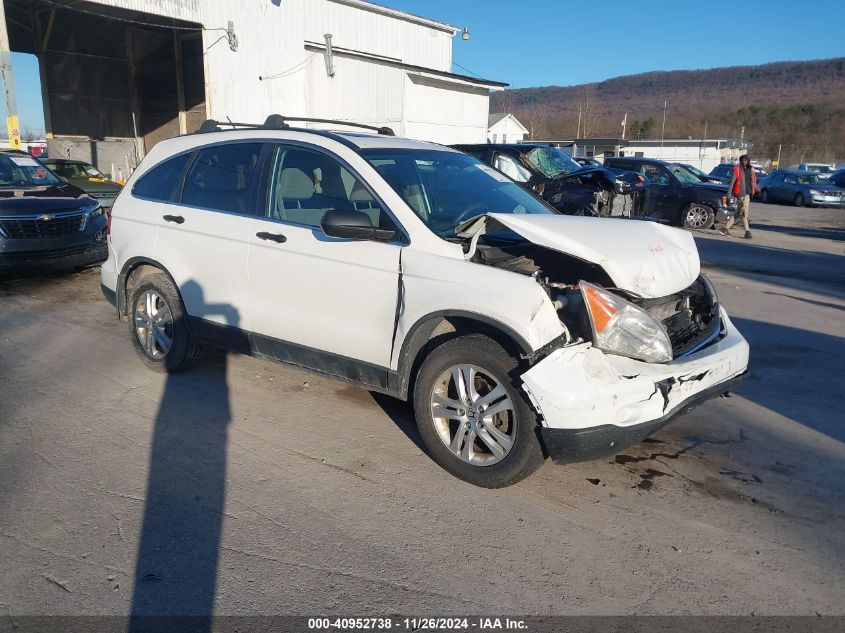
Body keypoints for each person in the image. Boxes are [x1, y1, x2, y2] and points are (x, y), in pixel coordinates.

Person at [720, 154, 755, 239]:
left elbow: (752, 181)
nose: (744, 162)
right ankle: (747, 231)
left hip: (748, 194)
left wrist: (755, 190)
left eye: (745, 160)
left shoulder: (751, 170)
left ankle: (725, 228)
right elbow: (731, 183)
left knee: (737, 213)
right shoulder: (737, 169)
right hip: (740, 194)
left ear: (748, 161)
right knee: (744, 212)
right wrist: (728, 196)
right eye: (742, 160)